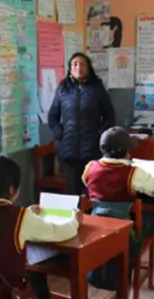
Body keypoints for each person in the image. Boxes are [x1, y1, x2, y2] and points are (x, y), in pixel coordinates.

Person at [0, 156, 77, 299]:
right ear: (13, 189)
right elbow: (60, 231)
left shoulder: (21, 216)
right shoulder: (18, 217)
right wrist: (74, 219)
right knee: (38, 293)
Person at [82, 127, 154, 246]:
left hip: (96, 227)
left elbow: (88, 183)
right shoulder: (133, 173)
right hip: (127, 232)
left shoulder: (90, 167)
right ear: (126, 151)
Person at [47, 53, 116, 196]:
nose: (79, 67)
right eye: (75, 64)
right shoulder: (63, 89)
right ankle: (76, 217)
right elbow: (52, 116)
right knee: (73, 192)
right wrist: (59, 133)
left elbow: (110, 115)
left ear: (88, 67)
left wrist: (100, 134)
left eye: (82, 64)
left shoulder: (97, 88)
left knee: (93, 190)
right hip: (69, 149)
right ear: (70, 68)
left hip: (92, 148)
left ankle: (92, 217)